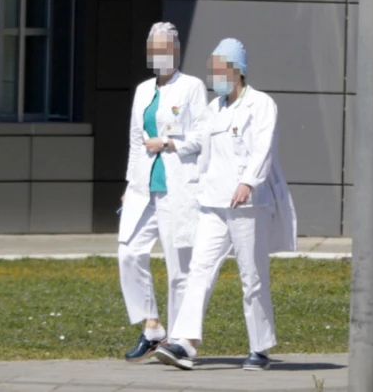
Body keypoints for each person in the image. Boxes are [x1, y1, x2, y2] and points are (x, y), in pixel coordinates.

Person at [154, 38, 297, 371]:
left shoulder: (261, 104)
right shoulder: (213, 108)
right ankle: (185, 343)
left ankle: (260, 348)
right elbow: (197, 141)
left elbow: (263, 148)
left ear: (237, 70)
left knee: (252, 276)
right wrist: (169, 143)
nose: (214, 75)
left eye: (219, 68)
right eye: (212, 69)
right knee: (199, 271)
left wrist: (248, 181)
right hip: (213, 204)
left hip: (248, 205)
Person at [117, 22, 209, 362]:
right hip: (144, 189)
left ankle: (180, 340)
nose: (160, 55)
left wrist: (169, 142)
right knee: (129, 252)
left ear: (176, 50)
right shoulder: (143, 90)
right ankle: (152, 326)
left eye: (165, 49)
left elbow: (202, 136)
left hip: (177, 188)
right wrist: (130, 183)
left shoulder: (191, 87)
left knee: (178, 267)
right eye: (154, 49)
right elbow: (135, 141)